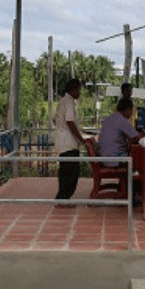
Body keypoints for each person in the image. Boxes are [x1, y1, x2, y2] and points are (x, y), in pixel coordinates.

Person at [53, 78, 89, 206]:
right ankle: (63, 199)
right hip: (69, 143)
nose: (79, 93)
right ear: (73, 89)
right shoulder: (68, 102)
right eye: (78, 89)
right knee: (70, 172)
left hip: (64, 141)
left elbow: (55, 120)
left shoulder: (63, 101)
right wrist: (80, 138)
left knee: (66, 171)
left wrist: (61, 129)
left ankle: (63, 198)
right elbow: (70, 121)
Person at [98, 98, 145, 167]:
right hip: (116, 159)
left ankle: (131, 177)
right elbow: (139, 138)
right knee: (140, 161)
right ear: (128, 109)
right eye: (132, 110)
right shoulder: (122, 121)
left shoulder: (108, 119)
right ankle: (135, 177)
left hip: (104, 159)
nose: (132, 113)